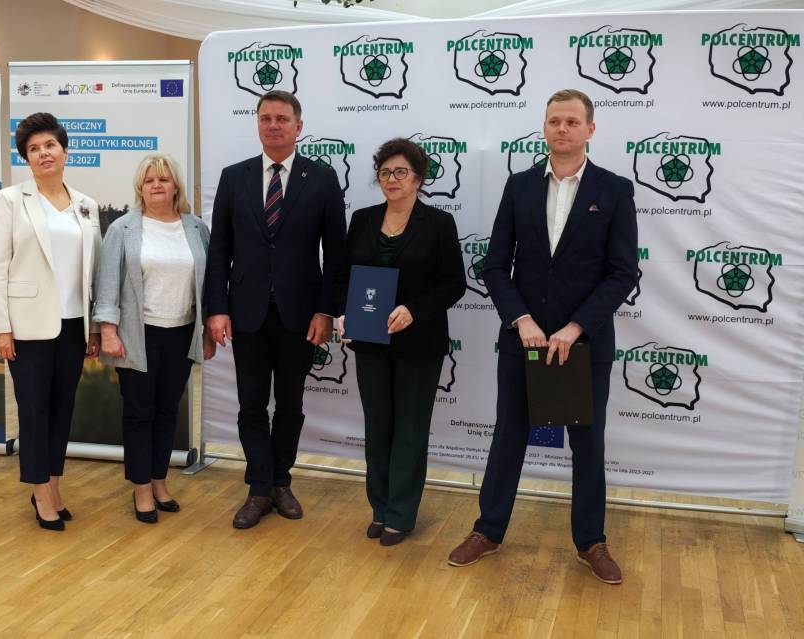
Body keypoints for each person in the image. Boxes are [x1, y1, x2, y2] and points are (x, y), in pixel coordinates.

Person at [446, 89, 638, 583]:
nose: (562, 128)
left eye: (572, 121)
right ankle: (487, 530)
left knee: (587, 444)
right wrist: (521, 319)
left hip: (584, 343)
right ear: (544, 127)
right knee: (508, 435)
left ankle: (591, 541)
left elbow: (623, 272)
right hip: (523, 340)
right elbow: (494, 265)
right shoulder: (519, 186)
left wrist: (576, 327)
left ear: (590, 129)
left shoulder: (615, 190)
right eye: (554, 120)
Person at [204, 90, 347, 529]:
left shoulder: (321, 178)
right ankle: (258, 487)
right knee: (250, 405)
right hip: (246, 313)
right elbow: (219, 249)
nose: (273, 125)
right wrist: (216, 309)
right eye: (265, 118)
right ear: (257, 124)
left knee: (290, 404)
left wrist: (326, 311)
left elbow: (336, 254)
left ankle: (281, 481)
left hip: (300, 316)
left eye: (282, 118)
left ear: (298, 127)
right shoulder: (235, 177)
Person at [337, 139, 465, 546]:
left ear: (418, 178)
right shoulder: (362, 220)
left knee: (409, 429)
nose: (391, 179)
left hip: (419, 343)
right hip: (369, 342)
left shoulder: (439, 223)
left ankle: (401, 514)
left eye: (400, 172)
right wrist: (343, 314)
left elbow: (454, 284)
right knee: (377, 427)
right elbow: (344, 276)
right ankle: (379, 507)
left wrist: (414, 310)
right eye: (385, 172)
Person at [0, 112, 101, 531]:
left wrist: (93, 327)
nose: (43, 153)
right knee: (34, 410)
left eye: (50, 145)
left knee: (62, 409)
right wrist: (1, 327)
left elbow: (93, 271)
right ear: (27, 158)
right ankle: (40, 493)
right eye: (33, 149)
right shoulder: (10, 200)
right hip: (27, 326)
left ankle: (52, 484)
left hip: (73, 324)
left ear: (65, 151)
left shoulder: (87, 205)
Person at [93, 153, 214, 524]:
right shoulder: (123, 229)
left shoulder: (196, 228)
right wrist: (108, 332)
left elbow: (208, 286)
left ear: (176, 185)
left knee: (167, 411)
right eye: (149, 180)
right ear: (140, 188)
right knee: (139, 413)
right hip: (137, 335)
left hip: (182, 333)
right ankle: (141, 488)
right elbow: (107, 284)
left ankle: (160, 480)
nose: (157, 185)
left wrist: (207, 331)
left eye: (164, 179)